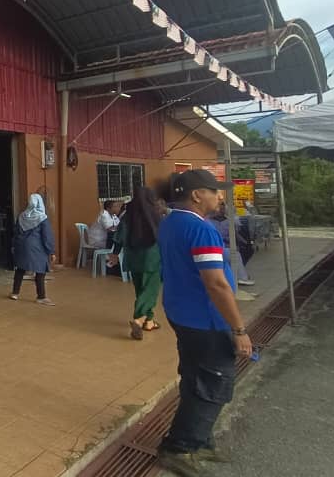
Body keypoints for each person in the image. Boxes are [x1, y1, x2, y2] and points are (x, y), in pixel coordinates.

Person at [157, 170, 252, 476]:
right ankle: (179, 448)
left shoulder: (170, 221)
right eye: (214, 190)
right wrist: (239, 329)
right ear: (197, 195)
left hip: (181, 313)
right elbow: (216, 284)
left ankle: (199, 439)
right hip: (205, 319)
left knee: (194, 376)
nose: (220, 196)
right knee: (214, 382)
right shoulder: (201, 228)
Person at [110, 186, 163, 340]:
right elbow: (165, 237)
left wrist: (115, 254)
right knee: (150, 291)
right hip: (152, 259)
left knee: (140, 289)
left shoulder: (128, 216)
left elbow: (119, 237)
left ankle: (149, 321)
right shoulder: (156, 215)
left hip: (133, 258)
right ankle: (139, 320)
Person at [9, 193, 56, 306]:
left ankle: (15, 293)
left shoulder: (21, 216)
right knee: (40, 271)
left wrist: (14, 246)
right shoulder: (42, 218)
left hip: (21, 246)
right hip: (37, 248)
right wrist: (51, 251)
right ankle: (41, 297)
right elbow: (47, 236)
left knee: (20, 269)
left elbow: (16, 232)